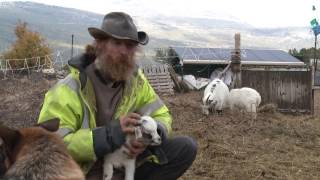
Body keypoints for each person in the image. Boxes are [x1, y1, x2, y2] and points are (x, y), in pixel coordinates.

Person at [38, 12, 197, 180]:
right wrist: (109, 135)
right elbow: (50, 145)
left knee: (186, 147)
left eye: (129, 45)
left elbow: (161, 114)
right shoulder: (69, 88)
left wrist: (147, 136)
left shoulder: (136, 83)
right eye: (117, 43)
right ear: (100, 45)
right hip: (84, 172)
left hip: (125, 165)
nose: (124, 51)